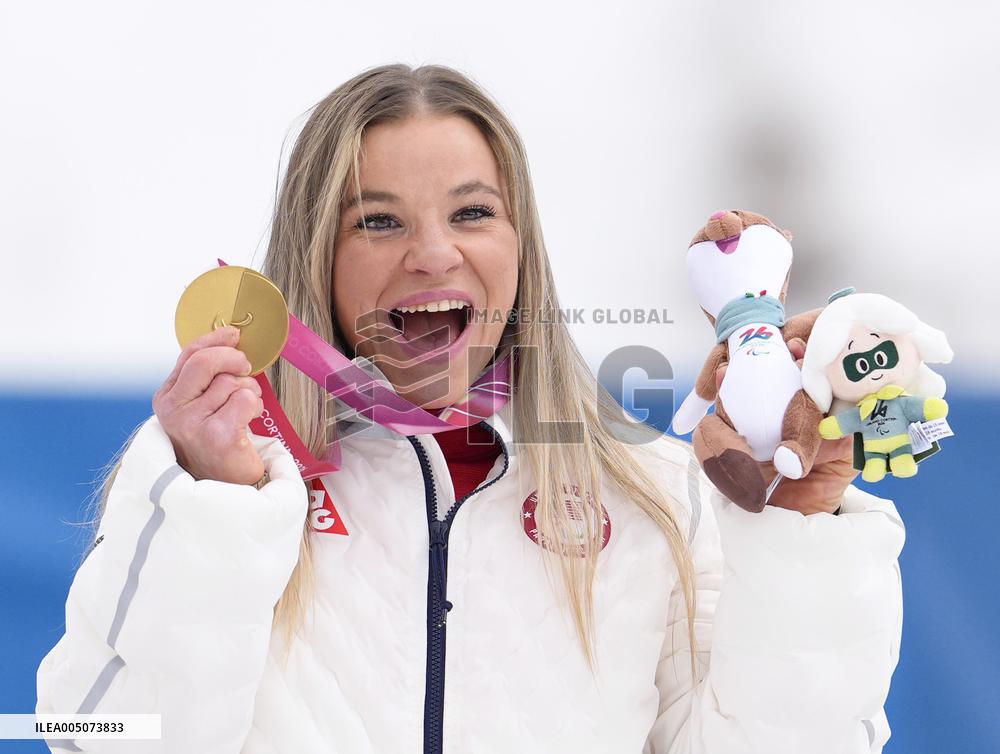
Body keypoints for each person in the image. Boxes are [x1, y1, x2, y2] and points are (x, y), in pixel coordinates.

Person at [35, 64, 904, 754]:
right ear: (316, 256)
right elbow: (95, 740)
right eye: (377, 221)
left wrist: (797, 536)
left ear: (520, 246)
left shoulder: (651, 497)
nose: (433, 252)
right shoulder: (225, 478)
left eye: (473, 212)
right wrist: (215, 510)